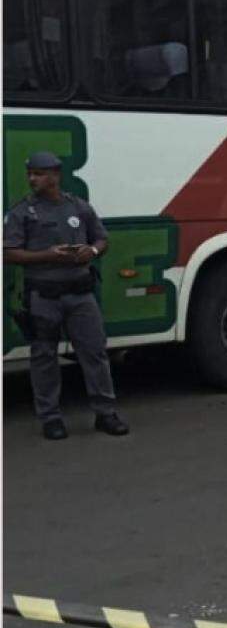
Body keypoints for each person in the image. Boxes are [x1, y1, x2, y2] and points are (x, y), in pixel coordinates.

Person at [3, 152, 128, 440]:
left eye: (39, 173)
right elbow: (7, 253)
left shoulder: (78, 206)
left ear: (55, 175)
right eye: (30, 174)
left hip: (81, 295)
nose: (33, 179)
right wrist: (46, 255)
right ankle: (51, 418)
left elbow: (102, 238)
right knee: (44, 357)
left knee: (95, 353)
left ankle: (105, 413)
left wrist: (92, 251)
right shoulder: (23, 211)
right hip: (44, 296)